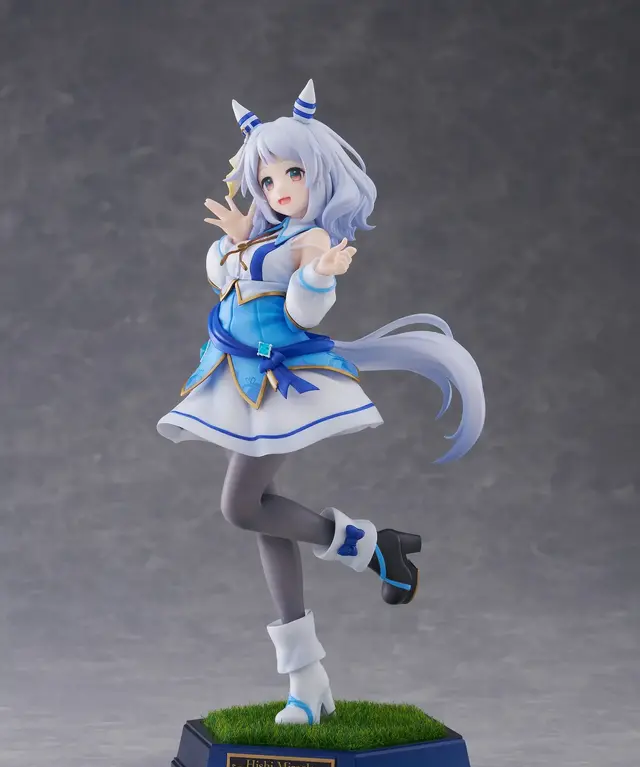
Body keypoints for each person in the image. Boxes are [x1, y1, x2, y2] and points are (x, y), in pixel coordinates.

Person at [157, 80, 485, 725]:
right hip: (239, 377)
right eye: (267, 176)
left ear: (319, 175)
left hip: (280, 381)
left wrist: (316, 276)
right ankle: (307, 681)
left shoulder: (310, 242)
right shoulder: (264, 233)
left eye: (293, 173)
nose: (279, 187)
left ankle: (371, 548)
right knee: (263, 517)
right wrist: (237, 238)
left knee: (241, 507)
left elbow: (306, 313)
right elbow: (225, 280)